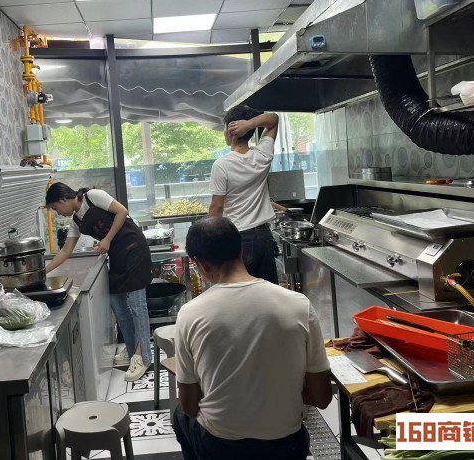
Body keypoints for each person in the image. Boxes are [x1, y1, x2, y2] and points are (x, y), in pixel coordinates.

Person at [174, 217, 332, 460]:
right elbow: (322, 397)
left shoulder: (190, 314)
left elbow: (189, 406)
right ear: (242, 251)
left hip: (221, 447)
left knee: (179, 416)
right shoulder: (299, 304)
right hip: (286, 447)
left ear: (201, 264)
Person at [45, 183, 152, 382]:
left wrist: (107, 239)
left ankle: (144, 356)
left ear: (63, 199)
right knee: (118, 305)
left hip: (134, 248)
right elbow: (66, 251)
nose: (58, 213)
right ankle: (132, 350)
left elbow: (122, 212)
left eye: (55, 208)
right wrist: (42, 272)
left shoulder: (92, 196)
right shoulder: (76, 221)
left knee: (137, 305)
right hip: (117, 256)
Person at [208, 105, 280, 283]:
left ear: (230, 130)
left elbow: (217, 207)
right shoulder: (262, 155)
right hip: (264, 237)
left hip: (238, 240)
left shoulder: (222, 165)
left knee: (241, 292)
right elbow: (273, 119)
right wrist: (250, 124)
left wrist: (210, 241)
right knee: (267, 292)